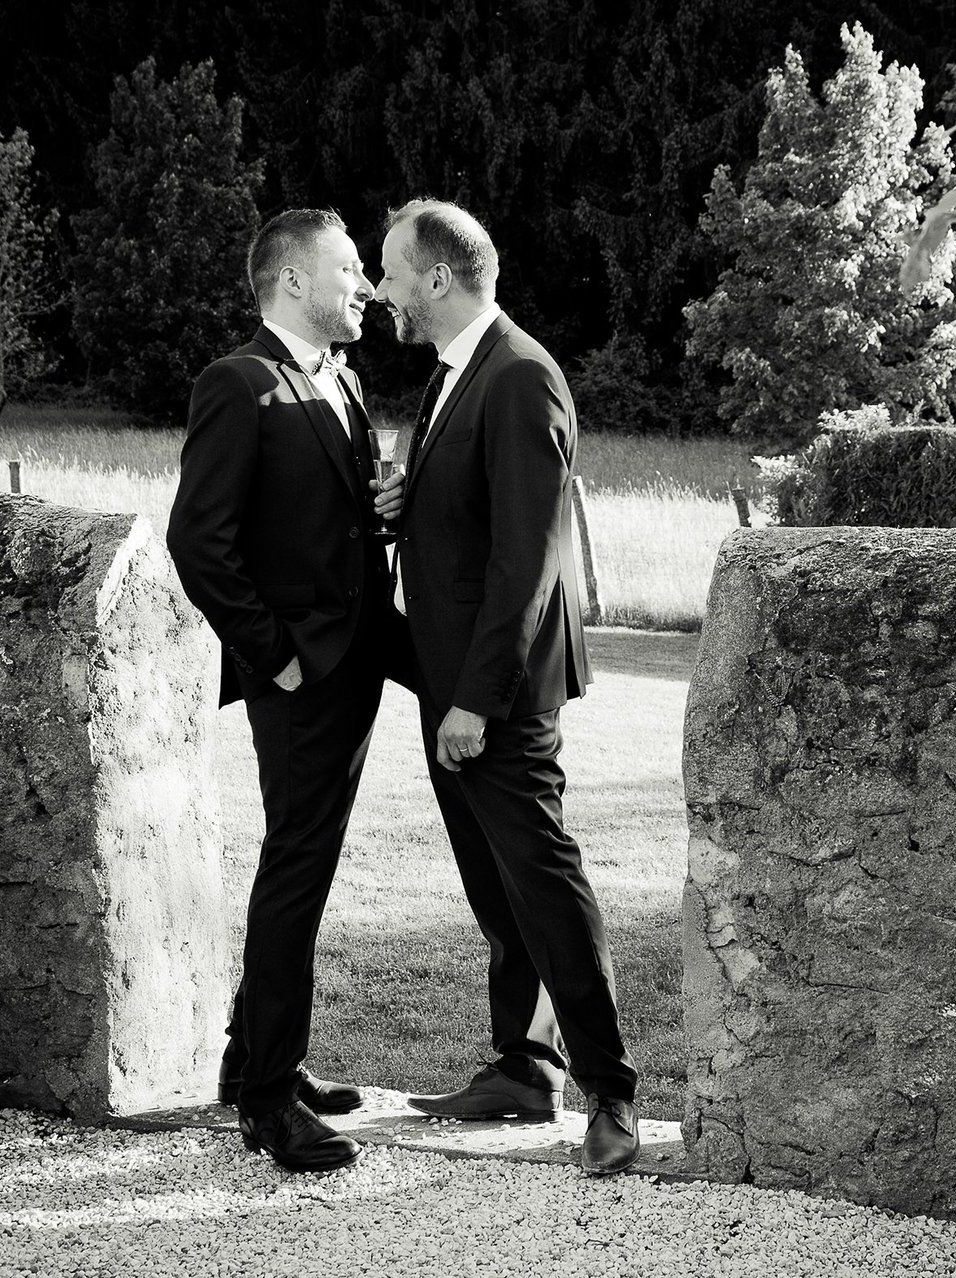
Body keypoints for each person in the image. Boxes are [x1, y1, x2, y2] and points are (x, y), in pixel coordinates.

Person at [374, 199, 640, 1175]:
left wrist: (477, 702)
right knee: (498, 889)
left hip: (499, 693)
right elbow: (474, 518)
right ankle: (524, 1068)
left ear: (436, 280)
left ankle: (609, 1091)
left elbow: (530, 558)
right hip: (450, 681)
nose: (382, 289)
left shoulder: (521, 376)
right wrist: (405, 508)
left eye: (393, 272)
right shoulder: (458, 374)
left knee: (541, 882)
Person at [166, 207, 406, 1173]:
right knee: (296, 868)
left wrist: (378, 511)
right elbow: (200, 541)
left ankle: (248, 1056)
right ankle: (269, 1098)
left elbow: (322, 523)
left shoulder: (342, 380)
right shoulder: (238, 383)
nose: (365, 286)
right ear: (294, 281)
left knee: (302, 858)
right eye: (350, 269)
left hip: (354, 662)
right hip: (301, 676)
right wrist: (276, 657)